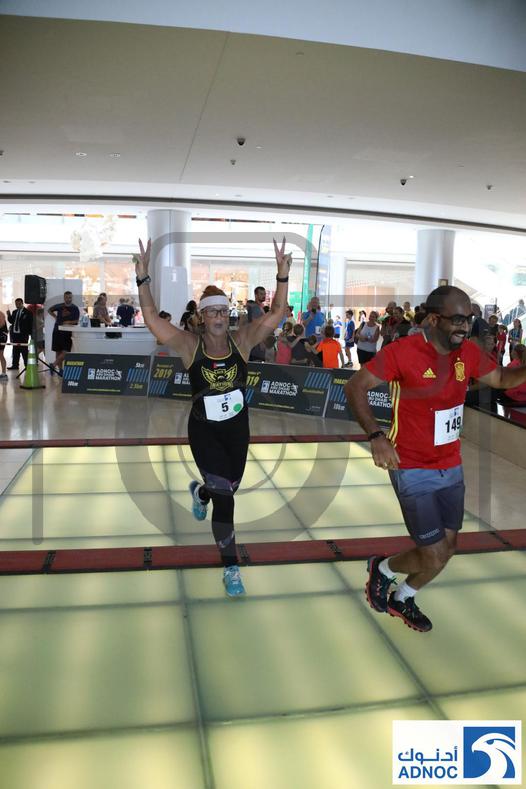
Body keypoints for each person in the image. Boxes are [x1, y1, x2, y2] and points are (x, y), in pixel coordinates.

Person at [346, 285, 526, 633]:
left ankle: (403, 597)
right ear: (432, 319)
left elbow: (502, 378)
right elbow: (355, 386)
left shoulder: (468, 352)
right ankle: (383, 568)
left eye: (468, 319)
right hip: (411, 466)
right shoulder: (402, 352)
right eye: (457, 319)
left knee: (449, 547)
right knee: (433, 552)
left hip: (450, 464)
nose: (465, 326)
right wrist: (376, 436)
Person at [135, 236, 292, 597]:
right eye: (212, 312)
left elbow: (277, 312)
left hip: (237, 429)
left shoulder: (244, 340)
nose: (219, 317)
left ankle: (200, 491)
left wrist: (282, 276)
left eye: (223, 311)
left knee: (227, 487)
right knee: (227, 498)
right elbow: (151, 319)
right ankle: (230, 567)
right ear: (202, 316)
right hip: (204, 430)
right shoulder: (189, 345)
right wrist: (143, 277)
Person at [48, 292, 80, 372]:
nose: (68, 299)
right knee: (58, 351)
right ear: (64, 298)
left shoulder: (75, 308)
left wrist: (69, 322)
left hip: (67, 333)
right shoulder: (59, 306)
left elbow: (76, 321)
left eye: (70, 297)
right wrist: (55, 317)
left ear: (72, 298)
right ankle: (60, 370)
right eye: (66, 297)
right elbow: (49, 310)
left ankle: (53, 365)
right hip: (57, 330)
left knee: (65, 351)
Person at [7, 298, 32, 370]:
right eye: (16, 304)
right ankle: (15, 365)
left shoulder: (28, 312)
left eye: (18, 304)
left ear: (22, 303)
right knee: (15, 350)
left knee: (24, 350)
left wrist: (29, 333)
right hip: (15, 334)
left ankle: (27, 365)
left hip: (23, 335)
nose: (17, 305)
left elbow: (30, 324)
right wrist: (9, 315)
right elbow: (12, 321)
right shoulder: (14, 312)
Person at [244, 286, 267, 361]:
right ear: (256, 295)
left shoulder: (258, 307)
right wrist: (261, 341)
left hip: (256, 342)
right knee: (257, 363)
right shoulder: (255, 308)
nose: (264, 296)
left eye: (264, 294)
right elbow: (255, 325)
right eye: (261, 294)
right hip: (257, 343)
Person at [0, 308, 8, 380]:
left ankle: (4, 374)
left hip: (1, 336)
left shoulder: (1, 314)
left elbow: (2, 324)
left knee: (1, 354)